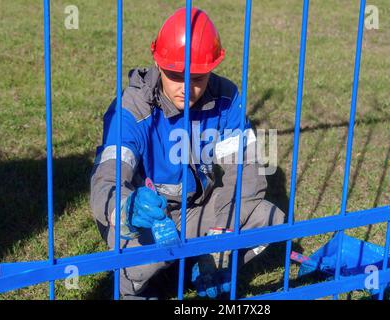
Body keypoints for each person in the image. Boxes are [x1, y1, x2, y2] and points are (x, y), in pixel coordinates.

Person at [90, 6, 285, 300]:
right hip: (148, 219)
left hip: (198, 209)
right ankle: (131, 292)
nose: (186, 88)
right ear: (157, 64)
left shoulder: (226, 98)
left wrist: (225, 226)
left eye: (197, 78)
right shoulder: (131, 110)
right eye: (175, 75)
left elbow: (245, 168)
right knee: (143, 257)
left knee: (269, 219)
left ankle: (205, 264)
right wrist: (130, 208)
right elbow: (105, 183)